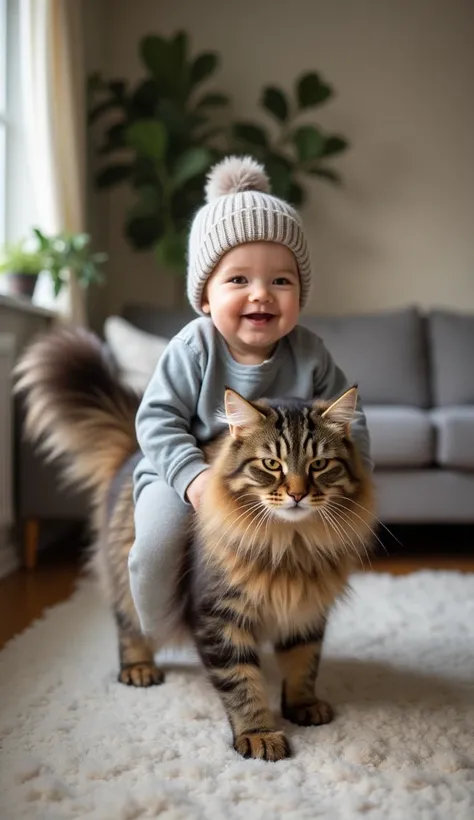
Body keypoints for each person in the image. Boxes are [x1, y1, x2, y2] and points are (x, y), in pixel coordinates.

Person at [128, 155, 372, 638]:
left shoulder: (309, 352)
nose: (261, 294)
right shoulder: (194, 345)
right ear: (205, 296)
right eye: (238, 280)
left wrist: (354, 471)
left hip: (277, 485)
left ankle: (281, 629)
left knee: (323, 551)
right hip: (186, 475)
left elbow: (350, 420)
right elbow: (156, 419)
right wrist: (191, 478)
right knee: (156, 544)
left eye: (281, 280)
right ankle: (158, 628)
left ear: (299, 295)